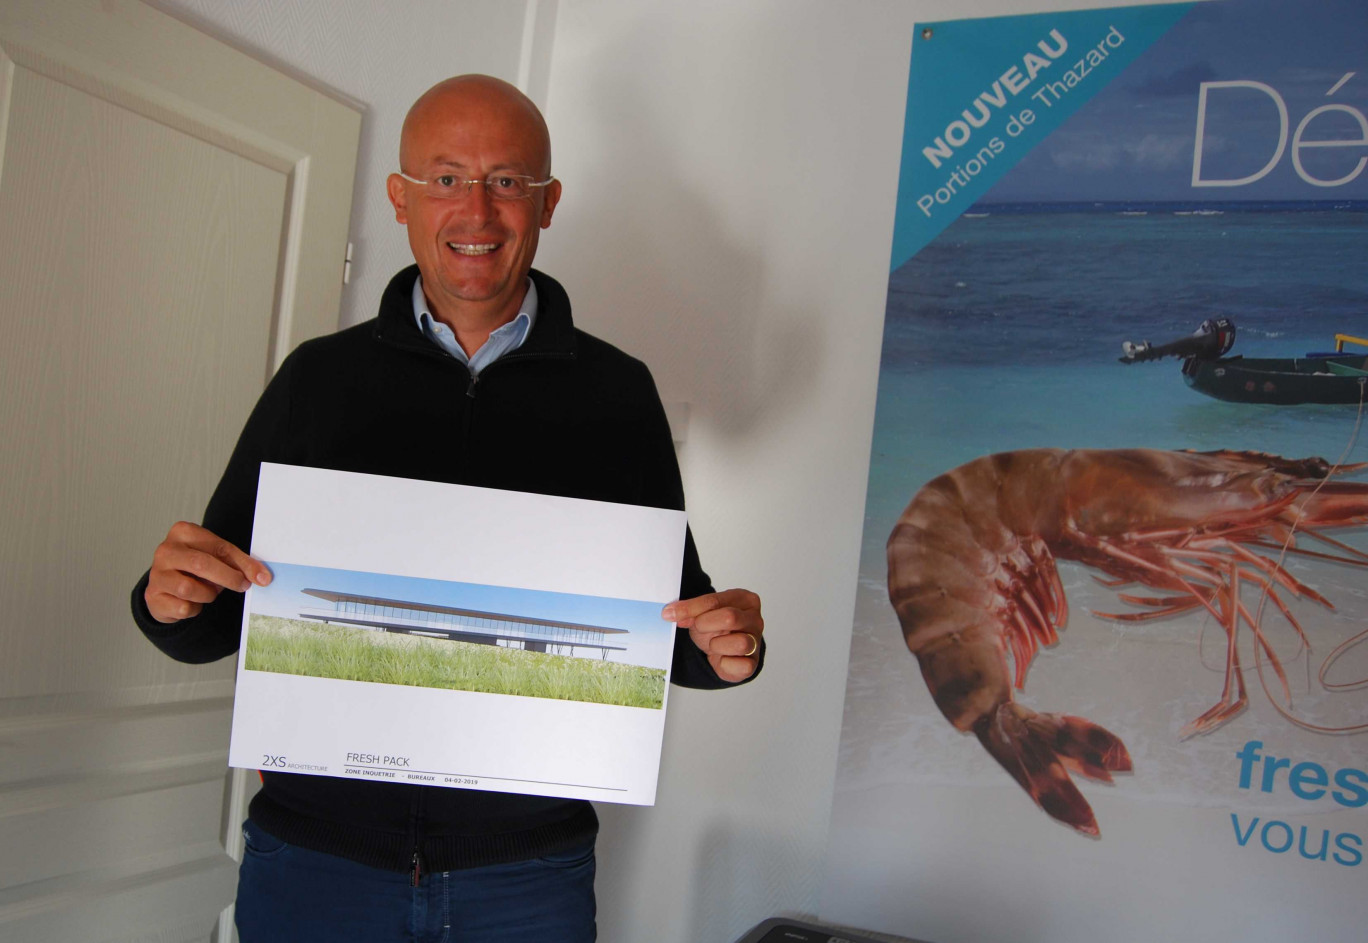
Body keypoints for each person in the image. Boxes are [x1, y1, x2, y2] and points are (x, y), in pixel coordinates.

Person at [131, 75, 765, 942]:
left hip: (525, 876)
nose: (477, 208)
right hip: (319, 866)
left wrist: (729, 649)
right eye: (446, 177)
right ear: (400, 197)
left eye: (507, 181)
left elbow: (669, 622)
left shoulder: (618, 394)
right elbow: (215, 612)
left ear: (547, 204)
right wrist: (165, 602)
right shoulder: (318, 379)